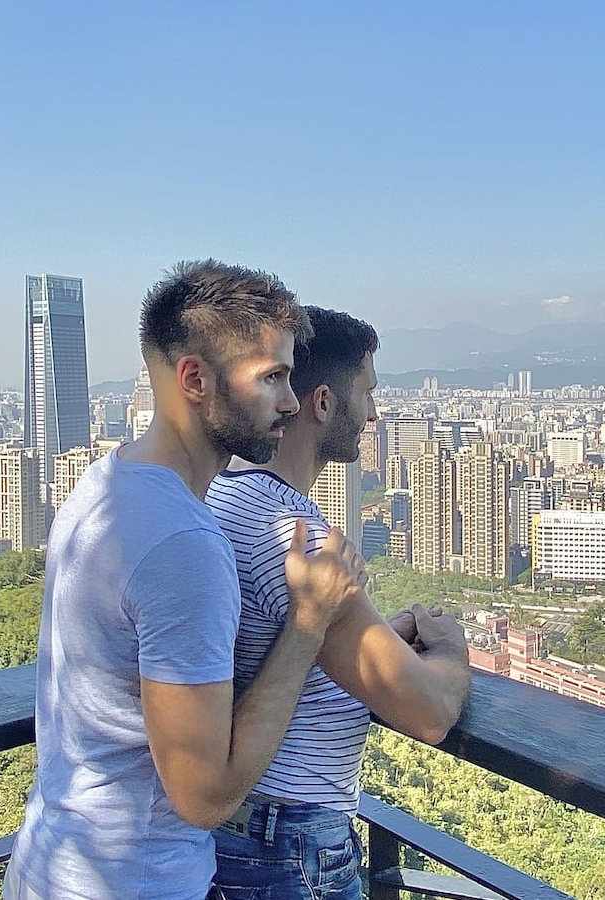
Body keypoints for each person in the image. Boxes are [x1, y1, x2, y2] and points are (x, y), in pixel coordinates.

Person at [2, 261, 368, 900]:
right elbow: (204, 796)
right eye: (273, 377)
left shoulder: (103, 488)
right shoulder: (184, 544)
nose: (289, 400)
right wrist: (310, 622)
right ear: (195, 379)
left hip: (51, 865)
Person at [205, 306, 473, 899]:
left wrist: (373, 630)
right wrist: (451, 652)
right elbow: (428, 712)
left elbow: (294, 635)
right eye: (369, 393)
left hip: (230, 832)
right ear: (323, 404)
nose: (375, 414)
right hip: (289, 842)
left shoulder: (221, 500)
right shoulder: (294, 537)